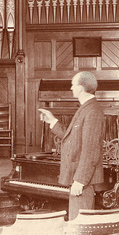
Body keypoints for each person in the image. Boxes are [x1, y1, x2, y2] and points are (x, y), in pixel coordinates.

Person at [39, 70, 105, 220]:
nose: (71, 88)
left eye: (72, 85)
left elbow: (91, 150)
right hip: (78, 177)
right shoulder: (86, 108)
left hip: (82, 180)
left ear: (81, 88)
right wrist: (52, 121)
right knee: (76, 222)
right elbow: (72, 137)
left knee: (79, 224)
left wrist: (80, 180)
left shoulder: (92, 111)